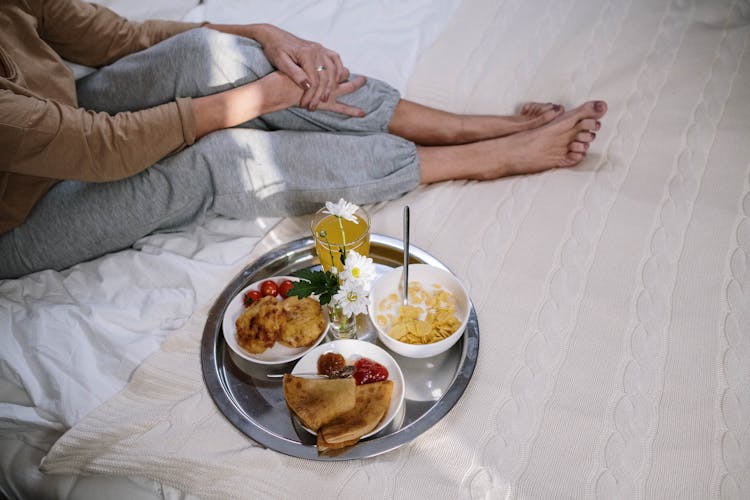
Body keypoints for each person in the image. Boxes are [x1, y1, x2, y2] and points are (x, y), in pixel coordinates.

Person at [0, 0, 608, 279]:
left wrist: (259, 33)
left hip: (64, 125)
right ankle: (484, 155)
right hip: (23, 216)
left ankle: (468, 123)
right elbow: (100, 150)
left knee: (200, 54)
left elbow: (120, 41)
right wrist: (253, 103)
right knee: (212, 161)